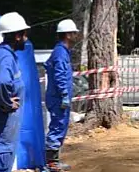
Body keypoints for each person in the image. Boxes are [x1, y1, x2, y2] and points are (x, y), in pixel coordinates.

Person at [0, 12, 29, 172]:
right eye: (24, 34)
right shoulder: (5, 58)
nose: (26, 38)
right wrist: (7, 104)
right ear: (17, 36)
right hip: (2, 129)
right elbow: (1, 82)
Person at [44, 19, 79, 171]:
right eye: (74, 32)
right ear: (67, 34)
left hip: (58, 97)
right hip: (58, 98)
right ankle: (51, 163)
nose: (76, 35)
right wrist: (64, 93)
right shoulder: (60, 53)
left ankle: (54, 161)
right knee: (57, 127)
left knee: (60, 127)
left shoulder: (62, 52)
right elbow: (59, 75)